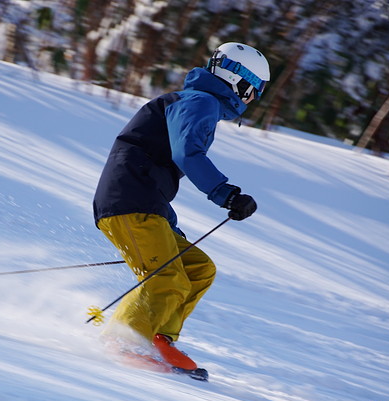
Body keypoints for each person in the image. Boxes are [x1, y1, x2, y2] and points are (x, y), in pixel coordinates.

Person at [93, 42, 270, 373]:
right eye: (255, 90)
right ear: (240, 81)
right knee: (166, 278)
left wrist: (169, 225)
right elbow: (187, 155)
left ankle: (158, 337)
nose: (254, 99)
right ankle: (124, 340)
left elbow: (157, 165)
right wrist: (226, 194)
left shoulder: (198, 103)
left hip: (143, 202)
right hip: (129, 203)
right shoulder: (200, 101)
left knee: (197, 268)